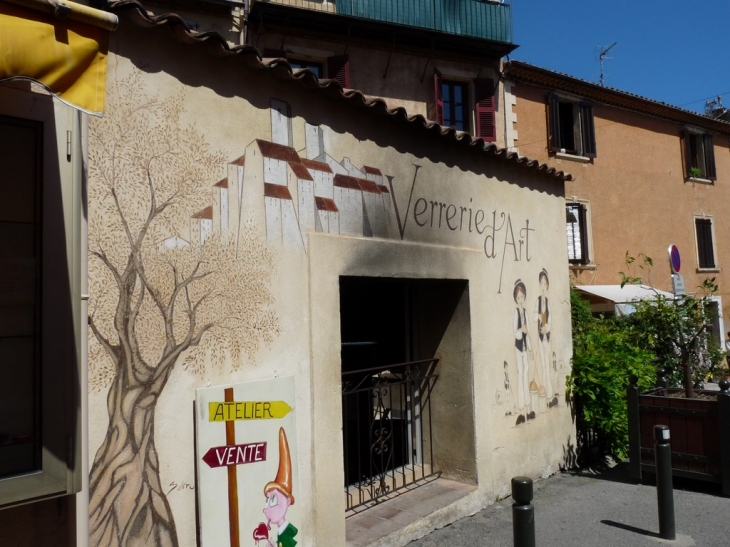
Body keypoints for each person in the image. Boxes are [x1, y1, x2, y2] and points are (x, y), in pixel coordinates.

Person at [262, 428, 298, 547]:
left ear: (288, 501)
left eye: (273, 500)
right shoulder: (282, 530)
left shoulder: (286, 532)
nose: (266, 509)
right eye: (268, 501)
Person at [513, 280, 533, 425]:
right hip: (518, 347)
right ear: (516, 298)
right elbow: (515, 331)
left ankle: (528, 407)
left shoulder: (525, 312)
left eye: (522, 296)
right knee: (520, 374)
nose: (520, 299)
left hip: (525, 347)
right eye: (518, 297)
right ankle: (521, 409)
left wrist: (531, 349)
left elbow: (529, 332)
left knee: (526, 374)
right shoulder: (515, 312)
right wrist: (521, 331)